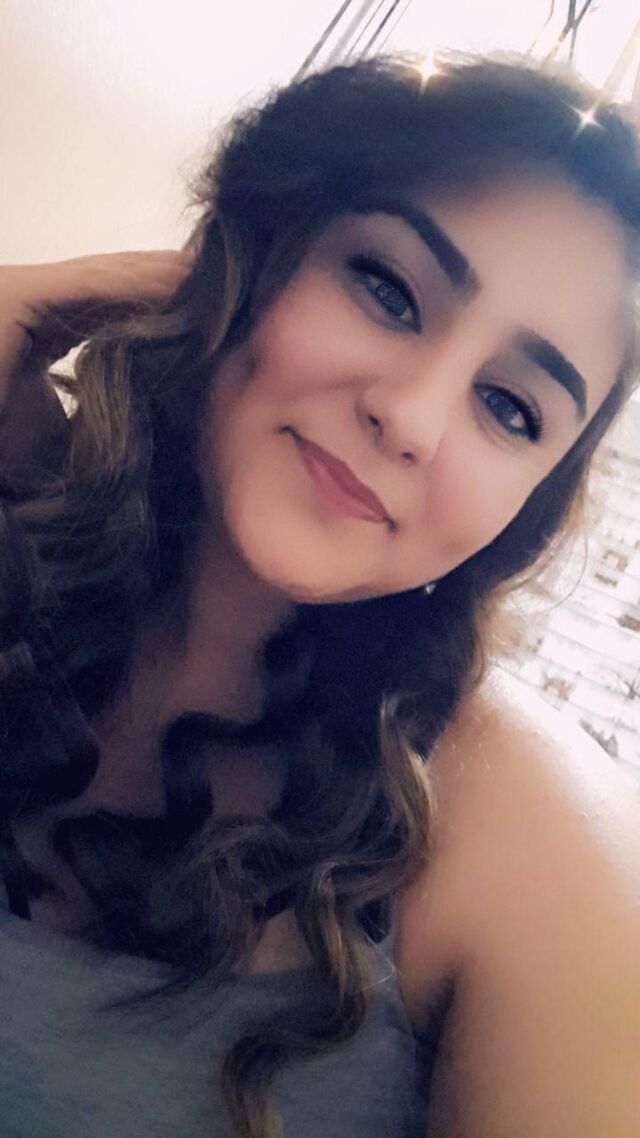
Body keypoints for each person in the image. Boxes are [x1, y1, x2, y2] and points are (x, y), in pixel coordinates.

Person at [0, 51, 639, 1138]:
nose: (414, 417)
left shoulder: (543, 855)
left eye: (510, 407)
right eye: (387, 289)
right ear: (251, 257)